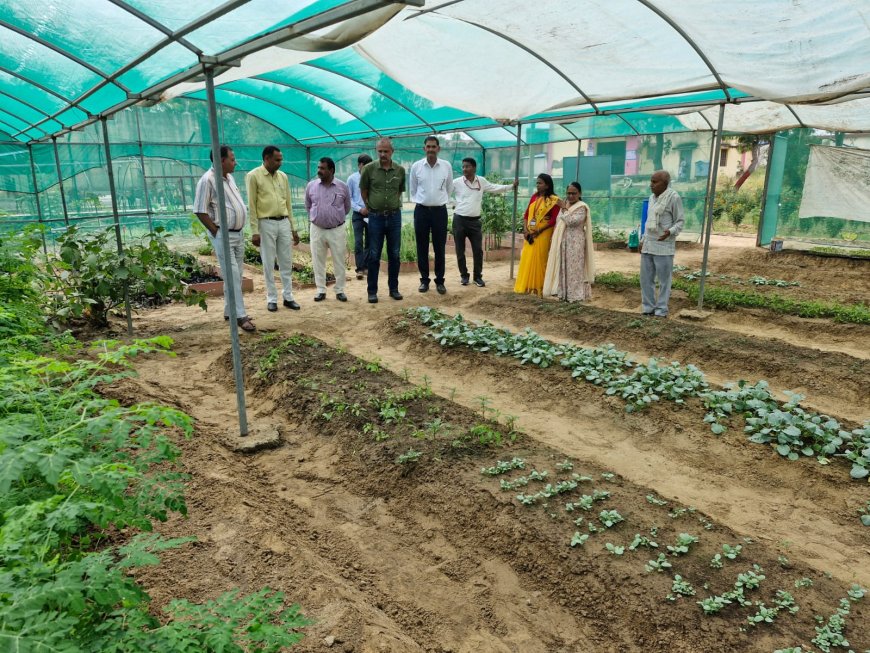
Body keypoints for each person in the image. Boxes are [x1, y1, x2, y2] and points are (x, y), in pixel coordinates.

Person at [194, 145, 255, 331]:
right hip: (224, 234)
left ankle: (230, 311)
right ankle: (240, 315)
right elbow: (200, 210)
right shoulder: (208, 180)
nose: (235, 162)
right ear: (221, 161)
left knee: (233, 275)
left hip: (237, 234)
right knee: (233, 274)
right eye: (232, 159)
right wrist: (216, 231)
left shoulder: (229, 178)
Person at [245, 145, 301, 312]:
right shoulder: (253, 176)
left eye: (281, 159)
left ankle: (288, 296)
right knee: (268, 262)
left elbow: (288, 203)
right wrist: (254, 231)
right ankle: (271, 298)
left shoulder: (282, 177)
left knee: (286, 261)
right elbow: (252, 205)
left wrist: (293, 228)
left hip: (283, 221)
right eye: (277, 160)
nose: (280, 163)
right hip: (265, 223)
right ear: (267, 158)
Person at [451, 157, 518, 287]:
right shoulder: (456, 182)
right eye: (463, 166)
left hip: (475, 222)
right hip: (459, 220)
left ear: (474, 168)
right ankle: (464, 276)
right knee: (460, 250)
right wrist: (453, 203)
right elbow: (444, 192)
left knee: (478, 250)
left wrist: (511, 186)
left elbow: (494, 188)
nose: (465, 169)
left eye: (467, 166)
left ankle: (477, 277)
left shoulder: (481, 181)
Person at [360, 137, 406, 304]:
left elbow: (399, 191)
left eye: (386, 151)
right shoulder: (368, 169)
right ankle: (372, 291)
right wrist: (371, 206)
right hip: (375, 217)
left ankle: (393, 289)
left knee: (394, 254)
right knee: (374, 255)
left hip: (394, 217)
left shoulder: (400, 170)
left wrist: (390, 205)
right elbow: (364, 191)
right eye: (380, 151)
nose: (382, 154)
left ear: (392, 152)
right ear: (376, 151)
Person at [409, 136, 453, 294]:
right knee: (422, 247)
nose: (431, 149)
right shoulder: (416, 167)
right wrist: (424, 201)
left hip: (440, 212)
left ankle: (440, 281)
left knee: (440, 247)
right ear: (424, 149)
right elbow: (413, 189)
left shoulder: (446, 166)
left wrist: (438, 201)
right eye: (428, 147)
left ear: (438, 148)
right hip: (421, 211)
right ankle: (424, 281)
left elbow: (449, 188)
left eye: (434, 147)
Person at [306, 157, 351, 302]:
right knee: (318, 260)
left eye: (323, 168)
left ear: (331, 170)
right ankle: (320, 290)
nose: (319, 171)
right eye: (318, 167)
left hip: (336, 229)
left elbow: (347, 207)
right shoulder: (311, 186)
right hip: (317, 229)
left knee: (339, 259)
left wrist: (334, 218)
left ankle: (340, 290)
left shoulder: (342, 186)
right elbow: (308, 205)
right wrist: (317, 217)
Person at [640, 170, 685, 317]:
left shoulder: (673, 197)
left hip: (664, 246)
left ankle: (661, 310)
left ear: (665, 184)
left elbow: (680, 221)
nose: (651, 185)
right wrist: (642, 239)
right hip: (648, 244)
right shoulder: (652, 198)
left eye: (655, 182)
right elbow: (648, 221)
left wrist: (670, 232)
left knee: (664, 281)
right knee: (646, 279)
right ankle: (648, 308)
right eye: (651, 181)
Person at [542, 181, 595, 302]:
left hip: (575, 243)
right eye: (568, 193)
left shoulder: (582, 207)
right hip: (563, 242)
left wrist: (564, 208)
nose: (571, 196)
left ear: (580, 193)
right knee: (563, 267)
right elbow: (559, 222)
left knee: (574, 269)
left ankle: (576, 296)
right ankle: (564, 294)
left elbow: (572, 222)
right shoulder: (565, 205)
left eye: (574, 193)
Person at [514, 173, 560, 296]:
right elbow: (526, 214)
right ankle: (528, 286)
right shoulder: (534, 197)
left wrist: (539, 231)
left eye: (540, 183)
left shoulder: (553, 200)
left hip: (543, 233)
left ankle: (539, 287)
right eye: (537, 183)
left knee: (540, 259)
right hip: (530, 232)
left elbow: (553, 220)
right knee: (528, 258)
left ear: (547, 185)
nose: (538, 185)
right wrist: (525, 230)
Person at [347, 154, 373, 280]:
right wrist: (359, 209)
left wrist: (369, 208)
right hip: (358, 214)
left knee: (369, 241)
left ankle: (366, 267)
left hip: (371, 213)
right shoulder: (352, 179)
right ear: (360, 165)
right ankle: (359, 269)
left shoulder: (373, 178)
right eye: (365, 165)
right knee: (358, 242)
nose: (367, 168)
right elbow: (349, 198)